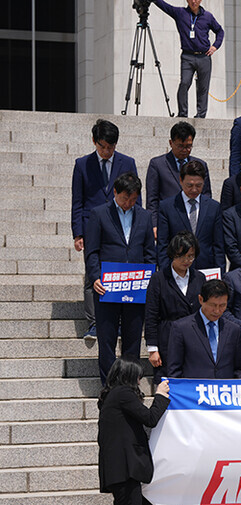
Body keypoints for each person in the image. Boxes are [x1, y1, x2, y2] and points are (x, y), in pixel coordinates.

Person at [166, 279, 241, 505]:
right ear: (200, 300)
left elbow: (240, 368)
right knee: (194, 466)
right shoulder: (181, 328)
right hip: (192, 411)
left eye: (222, 306)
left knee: (225, 465)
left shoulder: (232, 329)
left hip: (224, 411)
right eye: (213, 305)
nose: (218, 311)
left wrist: (237, 388)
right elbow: (174, 371)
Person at [98, 358, 174, 505]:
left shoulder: (113, 396)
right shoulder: (122, 394)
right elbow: (150, 418)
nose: (140, 381)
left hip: (126, 471)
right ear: (129, 377)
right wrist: (161, 395)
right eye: (138, 377)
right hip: (125, 472)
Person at [84, 173, 157, 383]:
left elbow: (149, 253)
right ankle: (108, 384)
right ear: (115, 192)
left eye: (133, 199)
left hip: (135, 287)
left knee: (132, 338)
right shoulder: (99, 214)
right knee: (106, 338)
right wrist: (95, 277)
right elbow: (92, 251)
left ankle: (130, 383)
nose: (129, 203)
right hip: (107, 287)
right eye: (125, 198)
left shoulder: (143, 216)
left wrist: (148, 279)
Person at [72, 119, 139, 344]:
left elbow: (136, 197)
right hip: (92, 225)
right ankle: (93, 322)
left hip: (122, 226)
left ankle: (118, 321)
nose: (107, 151)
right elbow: (78, 201)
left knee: (120, 272)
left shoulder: (127, 162)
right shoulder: (82, 165)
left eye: (111, 147)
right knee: (93, 275)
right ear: (94, 141)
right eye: (103, 146)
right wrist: (77, 233)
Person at [144, 231, 203, 383]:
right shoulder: (158, 278)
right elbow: (151, 314)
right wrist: (152, 348)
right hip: (167, 337)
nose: (186, 260)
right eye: (181, 256)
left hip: (194, 337)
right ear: (172, 254)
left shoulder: (200, 278)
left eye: (190, 256)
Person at [153, 0, 224, 119]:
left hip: (204, 56)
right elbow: (165, 6)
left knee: (203, 87)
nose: (194, 2)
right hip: (187, 56)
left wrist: (215, 46)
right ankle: (182, 113)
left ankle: (201, 115)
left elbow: (220, 31)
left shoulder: (208, 16)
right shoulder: (180, 13)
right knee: (184, 83)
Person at [156, 160, 224, 273]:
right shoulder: (167, 207)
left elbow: (218, 247)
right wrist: (166, 274)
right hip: (177, 271)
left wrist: (220, 273)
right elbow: (162, 245)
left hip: (206, 270)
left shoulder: (214, 207)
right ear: (181, 181)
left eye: (198, 185)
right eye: (189, 185)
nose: (194, 190)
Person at [145, 121, 212, 228]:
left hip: (193, 219)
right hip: (168, 220)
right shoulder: (157, 164)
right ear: (171, 143)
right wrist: (154, 225)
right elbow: (152, 199)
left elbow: (206, 195)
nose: (185, 150)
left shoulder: (201, 165)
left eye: (189, 146)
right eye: (180, 146)